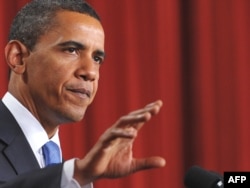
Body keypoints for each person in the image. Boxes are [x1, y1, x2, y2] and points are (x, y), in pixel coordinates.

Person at [0, 0, 166, 187]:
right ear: (18, 57)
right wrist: (76, 175)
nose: (91, 72)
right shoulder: (72, 174)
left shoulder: (61, 165)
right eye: (71, 50)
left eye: (97, 59)